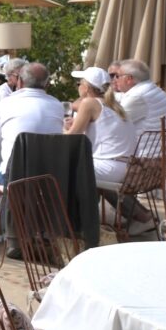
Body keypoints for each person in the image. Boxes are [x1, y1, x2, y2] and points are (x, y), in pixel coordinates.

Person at [67, 66, 155, 235]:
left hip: (110, 167)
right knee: (83, 170)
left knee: (63, 169)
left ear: (86, 87)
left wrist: (62, 130)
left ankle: (77, 224)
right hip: (122, 167)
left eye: (79, 83)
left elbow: (72, 137)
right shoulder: (114, 106)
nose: (78, 86)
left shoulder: (89, 103)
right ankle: (142, 217)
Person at [0, 62, 64, 190]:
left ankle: (12, 208)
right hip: (50, 178)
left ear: (19, 82)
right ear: (47, 84)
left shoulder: (6, 103)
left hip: (14, 177)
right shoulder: (57, 106)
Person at [113, 59, 166, 138]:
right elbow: (119, 96)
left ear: (129, 79)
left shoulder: (137, 96)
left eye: (117, 76)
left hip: (147, 149)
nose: (115, 80)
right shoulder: (150, 88)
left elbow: (113, 125)